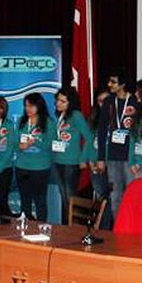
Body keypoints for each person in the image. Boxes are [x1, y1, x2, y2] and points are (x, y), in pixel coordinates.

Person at [94, 69, 137, 222]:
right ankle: (118, 226)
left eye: (113, 82)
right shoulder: (108, 102)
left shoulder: (135, 101)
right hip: (112, 156)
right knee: (115, 195)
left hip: (130, 157)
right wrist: (101, 158)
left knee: (131, 194)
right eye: (109, 81)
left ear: (123, 84)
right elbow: (101, 130)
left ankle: (132, 226)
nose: (109, 84)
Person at [51, 87, 92, 223]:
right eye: (58, 100)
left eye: (63, 101)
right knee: (64, 197)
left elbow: (89, 137)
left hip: (71, 162)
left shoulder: (76, 115)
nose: (58, 103)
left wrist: (83, 159)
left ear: (71, 103)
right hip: (57, 161)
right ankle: (66, 226)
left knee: (70, 197)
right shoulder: (59, 116)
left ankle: (72, 227)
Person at [15, 93, 54, 220]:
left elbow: (49, 145)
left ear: (39, 106)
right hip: (22, 166)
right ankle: (25, 225)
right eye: (26, 106)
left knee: (40, 200)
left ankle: (41, 226)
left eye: (31, 106)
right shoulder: (22, 121)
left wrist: (34, 142)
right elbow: (14, 143)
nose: (28, 109)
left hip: (40, 167)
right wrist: (21, 146)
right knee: (25, 199)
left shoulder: (48, 122)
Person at [86, 88, 112, 228]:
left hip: (114, 166)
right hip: (96, 165)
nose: (104, 104)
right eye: (101, 101)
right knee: (102, 197)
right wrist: (91, 161)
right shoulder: (94, 120)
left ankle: (102, 227)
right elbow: (89, 143)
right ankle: (101, 226)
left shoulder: (120, 120)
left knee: (111, 199)